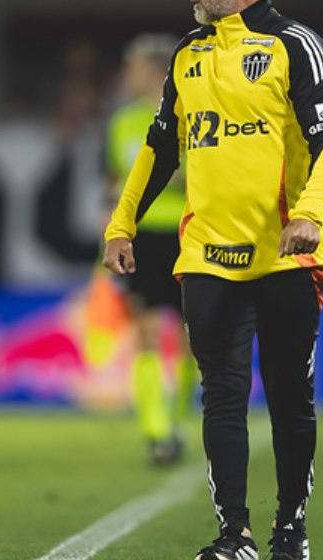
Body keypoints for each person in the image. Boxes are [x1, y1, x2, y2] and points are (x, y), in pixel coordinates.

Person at [102, 0, 323, 560]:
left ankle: (289, 528)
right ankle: (233, 535)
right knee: (221, 398)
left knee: (291, 400)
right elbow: (160, 149)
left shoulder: (297, 45)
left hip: (285, 256)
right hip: (208, 257)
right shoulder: (187, 55)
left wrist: (310, 214)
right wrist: (122, 222)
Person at [104, 31, 199, 466]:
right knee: (143, 329)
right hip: (141, 236)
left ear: (157, 72)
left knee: (187, 337)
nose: (128, 76)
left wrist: (173, 177)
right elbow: (113, 178)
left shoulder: (187, 114)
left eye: (134, 67)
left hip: (183, 233)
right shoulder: (122, 122)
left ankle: (176, 420)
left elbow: (200, 175)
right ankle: (156, 431)